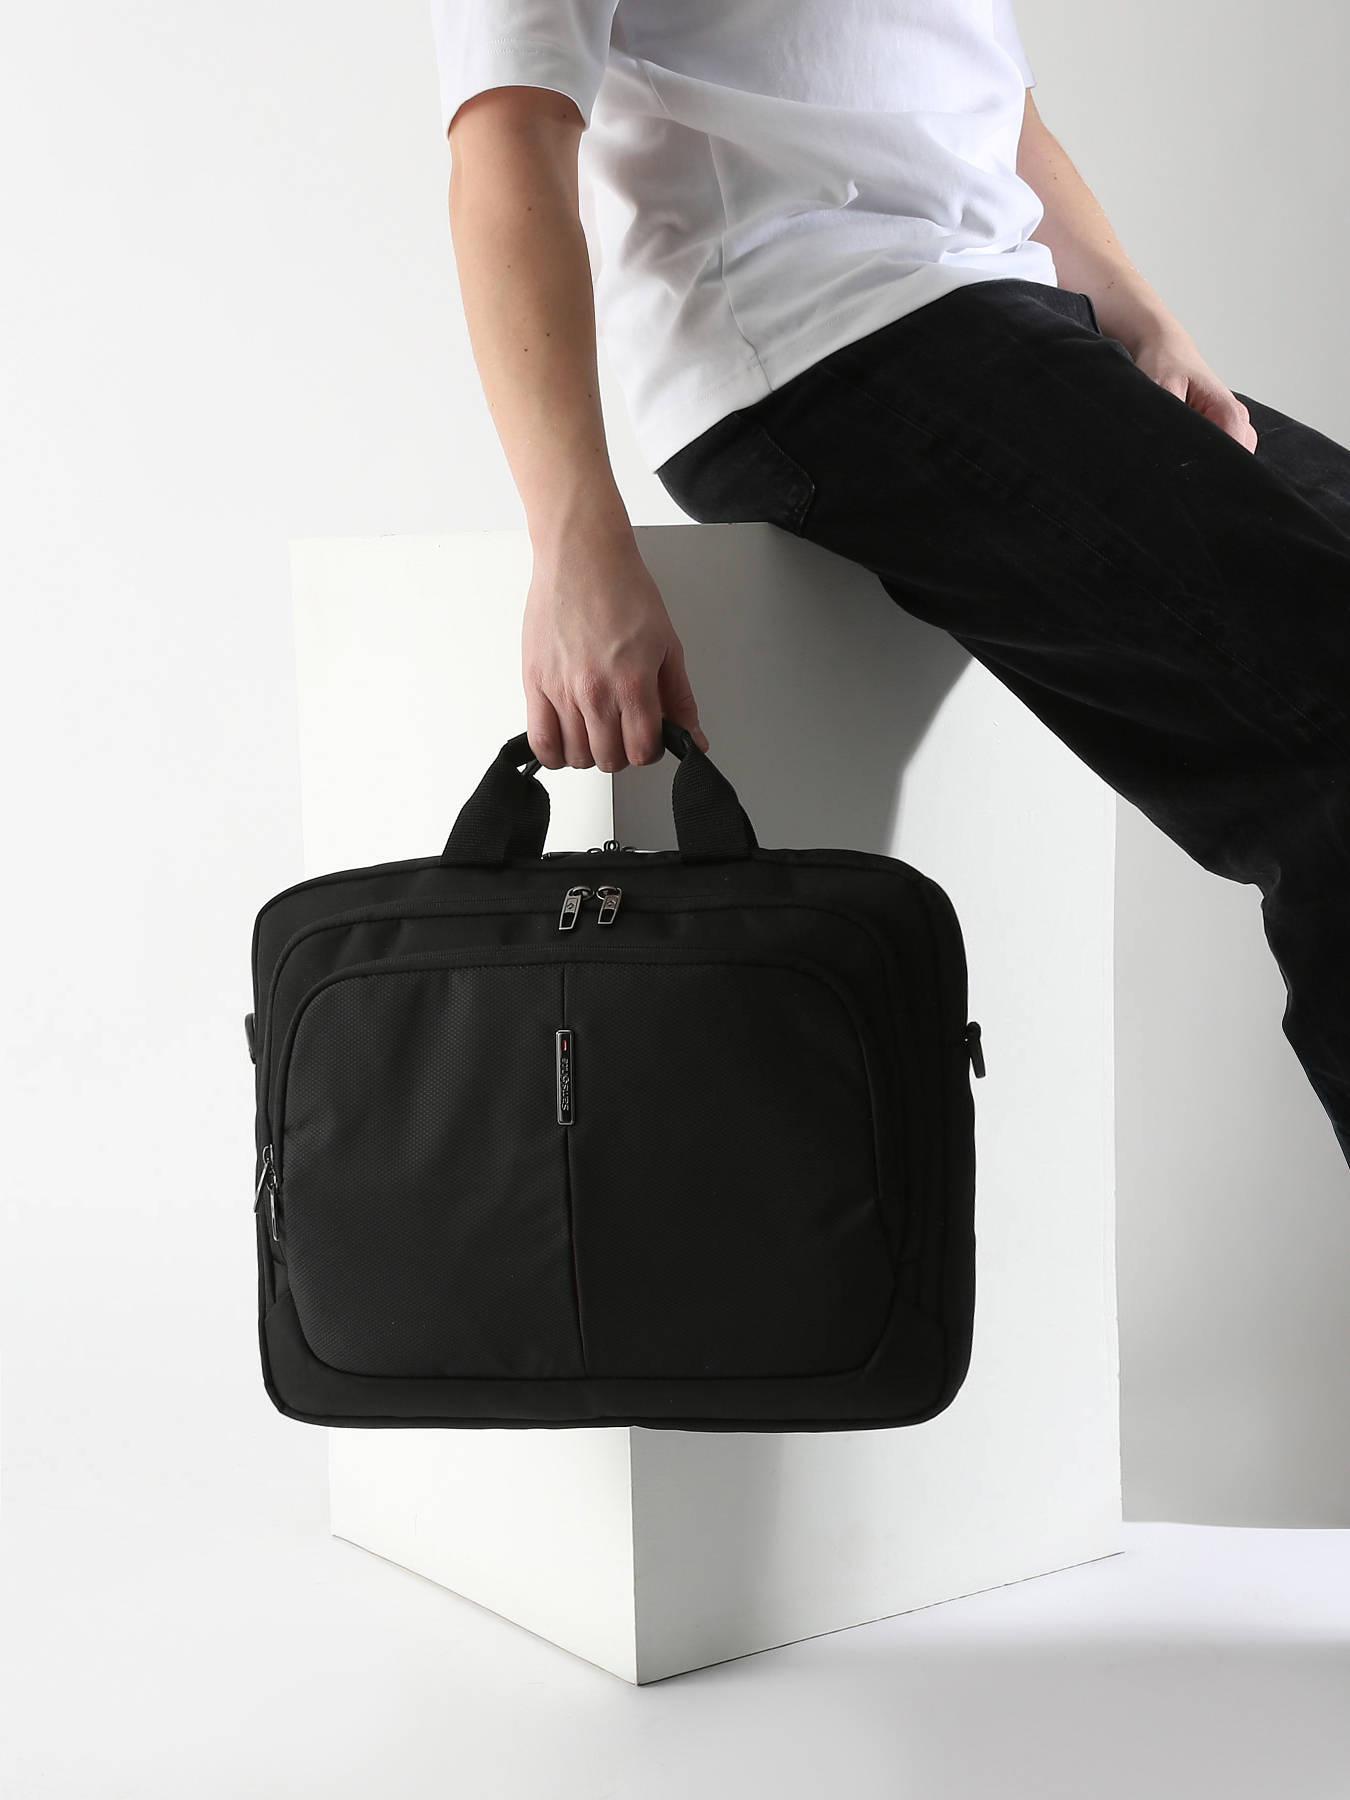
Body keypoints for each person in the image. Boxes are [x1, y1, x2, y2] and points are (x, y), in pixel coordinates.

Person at [430, 1, 1350, 1166]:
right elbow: (509, 126)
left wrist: (1137, 310)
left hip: (1011, 310)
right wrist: (574, 540)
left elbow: (977, 87)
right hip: (816, 340)